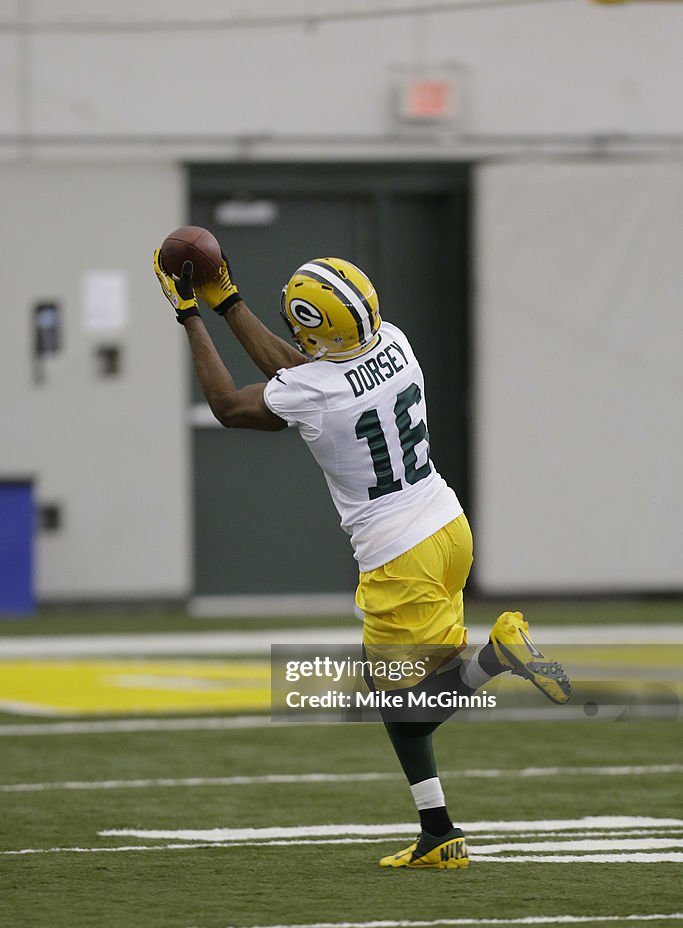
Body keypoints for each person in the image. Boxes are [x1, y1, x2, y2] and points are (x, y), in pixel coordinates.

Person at [153, 247, 570, 870]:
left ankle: (496, 657)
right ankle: (439, 832)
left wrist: (189, 313)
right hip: (446, 527)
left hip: (399, 555)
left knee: (405, 709)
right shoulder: (394, 341)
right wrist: (227, 301)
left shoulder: (317, 390)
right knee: (396, 699)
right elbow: (302, 369)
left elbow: (230, 405)